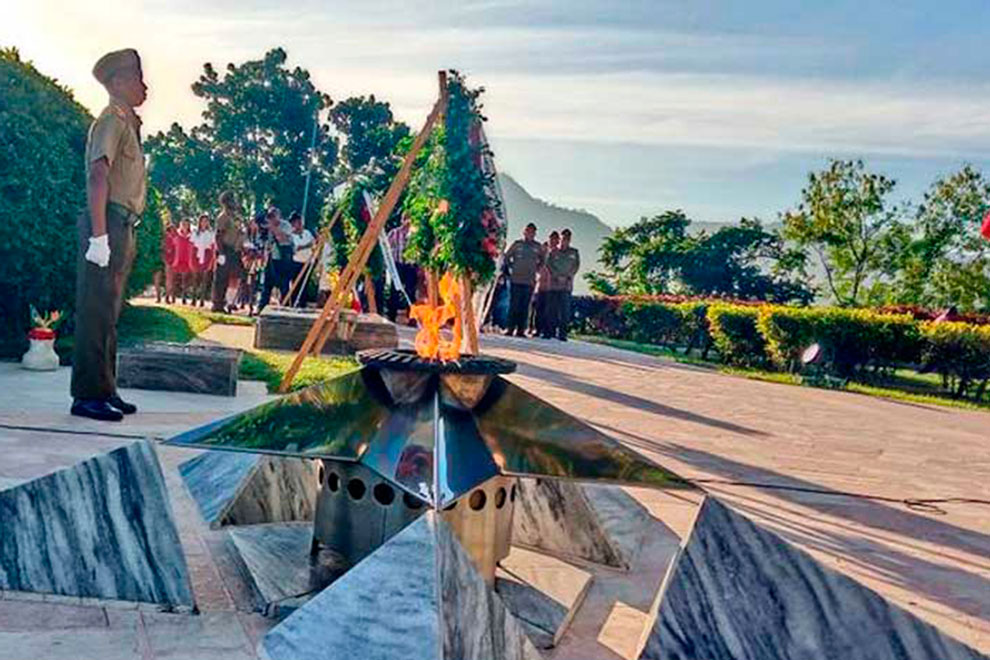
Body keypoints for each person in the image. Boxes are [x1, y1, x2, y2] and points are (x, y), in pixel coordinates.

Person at [70, 48, 147, 421]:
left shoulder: (128, 122)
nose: (144, 86)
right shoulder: (111, 120)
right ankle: (87, 395)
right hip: (108, 223)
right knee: (94, 310)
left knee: (109, 314)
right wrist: (99, 236)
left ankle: (105, 388)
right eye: (136, 78)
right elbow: (98, 175)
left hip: (122, 223)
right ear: (117, 82)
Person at [503, 222, 545, 337]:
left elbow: (543, 260)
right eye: (528, 231)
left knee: (525, 306)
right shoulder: (517, 244)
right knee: (514, 305)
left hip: (529, 280)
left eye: (532, 232)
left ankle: (521, 330)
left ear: (535, 233)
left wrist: (537, 269)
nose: (530, 233)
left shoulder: (537, 246)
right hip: (516, 278)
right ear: (524, 232)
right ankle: (510, 328)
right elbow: (507, 256)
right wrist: (511, 267)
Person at [212, 191, 243, 313]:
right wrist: (221, 253)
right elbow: (218, 236)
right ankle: (217, 304)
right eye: (231, 200)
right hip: (225, 248)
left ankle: (224, 303)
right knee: (221, 278)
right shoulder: (223, 217)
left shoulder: (234, 217)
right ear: (225, 203)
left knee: (230, 277)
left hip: (234, 250)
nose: (234, 203)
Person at [547, 228, 580, 340]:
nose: (565, 240)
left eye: (567, 238)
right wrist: (557, 276)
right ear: (560, 239)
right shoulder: (553, 252)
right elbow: (549, 265)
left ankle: (562, 334)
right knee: (552, 310)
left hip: (566, 286)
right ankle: (550, 332)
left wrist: (567, 276)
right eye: (563, 238)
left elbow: (576, 267)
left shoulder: (574, 252)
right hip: (554, 285)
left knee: (564, 311)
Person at [257, 206, 293, 311]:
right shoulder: (269, 227)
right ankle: (261, 307)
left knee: (283, 284)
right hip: (271, 257)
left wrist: (272, 227)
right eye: (270, 216)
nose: (271, 218)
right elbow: (265, 240)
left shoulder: (285, 225)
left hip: (283, 259)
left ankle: (285, 306)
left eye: (273, 215)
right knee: (267, 284)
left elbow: (283, 238)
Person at [386, 217, 418, 323]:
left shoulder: (414, 235)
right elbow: (387, 248)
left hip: (411, 266)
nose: (407, 222)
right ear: (402, 220)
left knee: (411, 291)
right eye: (405, 219)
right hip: (398, 265)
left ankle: (411, 317)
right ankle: (392, 315)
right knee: (394, 290)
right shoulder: (394, 233)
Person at [533, 231, 559, 338]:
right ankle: (537, 329)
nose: (553, 240)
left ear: (558, 241)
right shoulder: (543, 250)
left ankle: (549, 331)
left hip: (552, 285)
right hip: (541, 283)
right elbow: (537, 262)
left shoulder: (558, 252)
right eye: (551, 238)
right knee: (539, 308)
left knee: (550, 310)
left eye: (555, 239)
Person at [287, 211, 315, 307]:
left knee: (305, 284)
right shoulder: (291, 236)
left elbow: (313, 244)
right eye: (296, 222)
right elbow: (295, 248)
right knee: (296, 284)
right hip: (296, 262)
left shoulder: (307, 233)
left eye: (300, 221)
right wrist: (307, 245)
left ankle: (303, 304)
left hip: (308, 262)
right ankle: (294, 303)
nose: (299, 223)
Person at [191, 213, 215, 307]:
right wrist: (192, 259)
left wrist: (211, 262)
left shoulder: (210, 233)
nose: (204, 223)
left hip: (206, 255)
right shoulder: (195, 232)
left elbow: (213, 247)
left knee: (204, 279)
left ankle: (202, 300)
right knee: (195, 278)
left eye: (206, 221)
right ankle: (194, 299)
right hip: (196, 255)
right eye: (202, 221)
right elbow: (192, 246)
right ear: (199, 222)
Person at [171, 218, 194, 304]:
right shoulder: (176, 234)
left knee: (185, 279)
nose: (185, 226)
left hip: (187, 259)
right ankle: (172, 297)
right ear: (180, 225)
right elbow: (172, 246)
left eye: (187, 224)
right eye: (183, 224)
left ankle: (184, 297)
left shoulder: (192, 235)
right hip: (177, 259)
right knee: (174, 279)